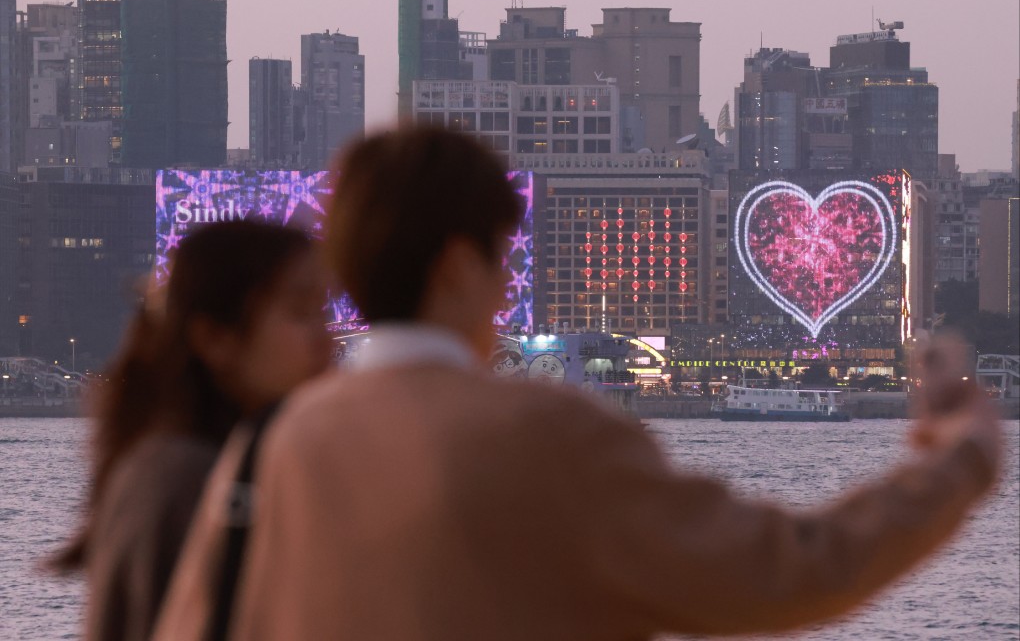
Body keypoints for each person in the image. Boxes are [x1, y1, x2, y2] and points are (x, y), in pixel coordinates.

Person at [153, 128, 1000, 641]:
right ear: (458, 266)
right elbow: (790, 572)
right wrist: (955, 463)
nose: (506, 281)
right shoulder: (549, 436)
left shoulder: (262, 454)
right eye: (503, 257)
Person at [54, 221, 332, 641]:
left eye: (322, 312)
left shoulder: (177, 462)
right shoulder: (192, 480)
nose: (325, 338)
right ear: (216, 338)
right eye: (299, 313)